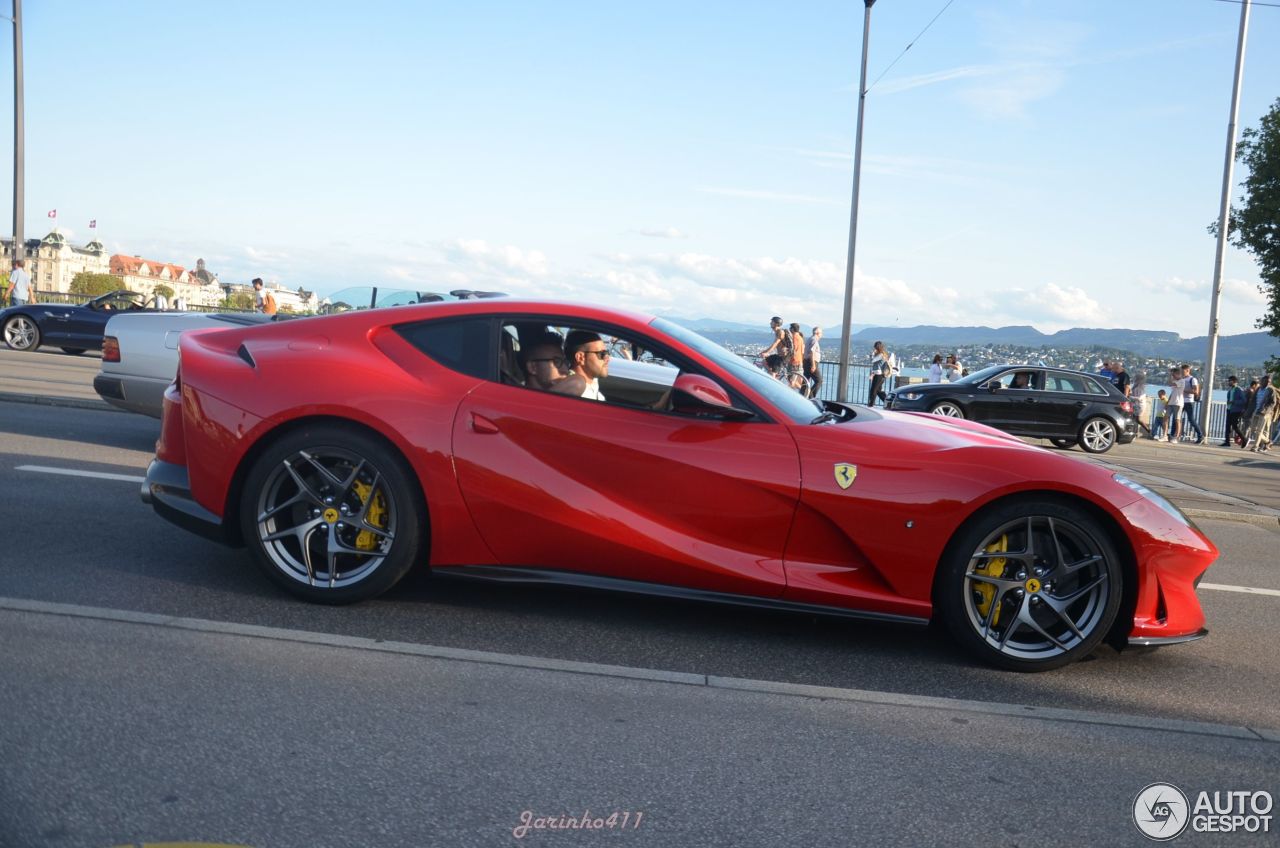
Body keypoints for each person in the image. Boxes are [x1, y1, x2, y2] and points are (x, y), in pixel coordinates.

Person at [521, 333, 585, 396]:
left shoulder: (565, 394)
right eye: (556, 362)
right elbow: (578, 383)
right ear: (532, 367)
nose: (565, 370)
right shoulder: (518, 395)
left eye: (565, 362)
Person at [564, 330, 610, 401]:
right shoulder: (574, 392)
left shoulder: (592, 381)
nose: (608, 359)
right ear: (580, 357)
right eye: (602, 354)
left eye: (607, 352)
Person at [1244, 375, 1276, 452]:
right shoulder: (1258, 389)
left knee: (1259, 431)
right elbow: (1253, 401)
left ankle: (1255, 447)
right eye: (1266, 381)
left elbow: (1273, 403)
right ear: (1262, 381)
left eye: (1269, 381)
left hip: (1264, 413)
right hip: (1256, 411)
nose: (1268, 383)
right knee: (1253, 429)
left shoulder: (1271, 390)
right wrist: (1248, 411)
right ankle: (1268, 441)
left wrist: (1265, 410)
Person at [1179, 364, 1204, 444]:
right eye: (1181, 372)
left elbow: (1195, 391)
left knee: (1191, 419)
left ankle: (1200, 436)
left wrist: (1184, 391)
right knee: (1176, 418)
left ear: (1188, 371)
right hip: (1181, 401)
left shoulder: (1192, 379)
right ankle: (1174, 435)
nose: (1182, 373)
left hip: (1189, 402)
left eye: (1183, 372)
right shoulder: (1182, 379)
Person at [1223, 375, 1248, 447]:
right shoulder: (1230, 390)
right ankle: (1227, 442)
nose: (1228, 382)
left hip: (1236, 410)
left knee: (1234, 426)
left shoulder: (1238, 390)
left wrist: (1234, 402)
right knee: (1228, 426)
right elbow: (1229, 400)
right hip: (1229, 409)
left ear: (1234, 382)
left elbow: (1244, 401)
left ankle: (1244, 439)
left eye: (1230, 381)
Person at [868, 341, 892, 406]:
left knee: (873, 390)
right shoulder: (881, 354)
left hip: (879, 375)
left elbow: (872, 360)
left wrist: (872, 353)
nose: (874, 348)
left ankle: (871, 404)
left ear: (877, 347)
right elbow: (876, 365)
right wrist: (872, 374)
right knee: (878, 391)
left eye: (875, 347)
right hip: (879, 375)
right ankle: (889, 403)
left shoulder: (881, 355)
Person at [1165, 367, 1184, 442]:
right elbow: (1169, 384)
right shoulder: (1175, 380)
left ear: (1178, 374)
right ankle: (1165, 435)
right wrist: (1168, 402)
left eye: (1174, 374)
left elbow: (1171, 383)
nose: (1174, 376)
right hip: (1171, 402)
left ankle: (1176, 437)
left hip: (1178, 403)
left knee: (1177, 420)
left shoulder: (1182, 381)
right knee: (1165, 418)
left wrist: (1171, 375)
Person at [803, 326, 823, 399]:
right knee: (819, 380)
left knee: (805, 381)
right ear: (818, 333)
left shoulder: (810, 339)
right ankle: (811, 397)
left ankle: (802, 396)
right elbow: (812, 352)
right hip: (811, 362)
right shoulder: (814, 340)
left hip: (806, 361)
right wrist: (813, 365)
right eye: (821, 333)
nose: (822, 335)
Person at [787, 323, 806, 394]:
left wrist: (786, 350)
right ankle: (805, 393)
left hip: (794, 361)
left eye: (790, 328)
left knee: (791, 381)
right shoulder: (800, 338)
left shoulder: (794, 337)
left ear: (792, 329)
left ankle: (790, 396)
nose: (789, 329)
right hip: (799, 361)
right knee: (796, 382)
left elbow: (793, 349)